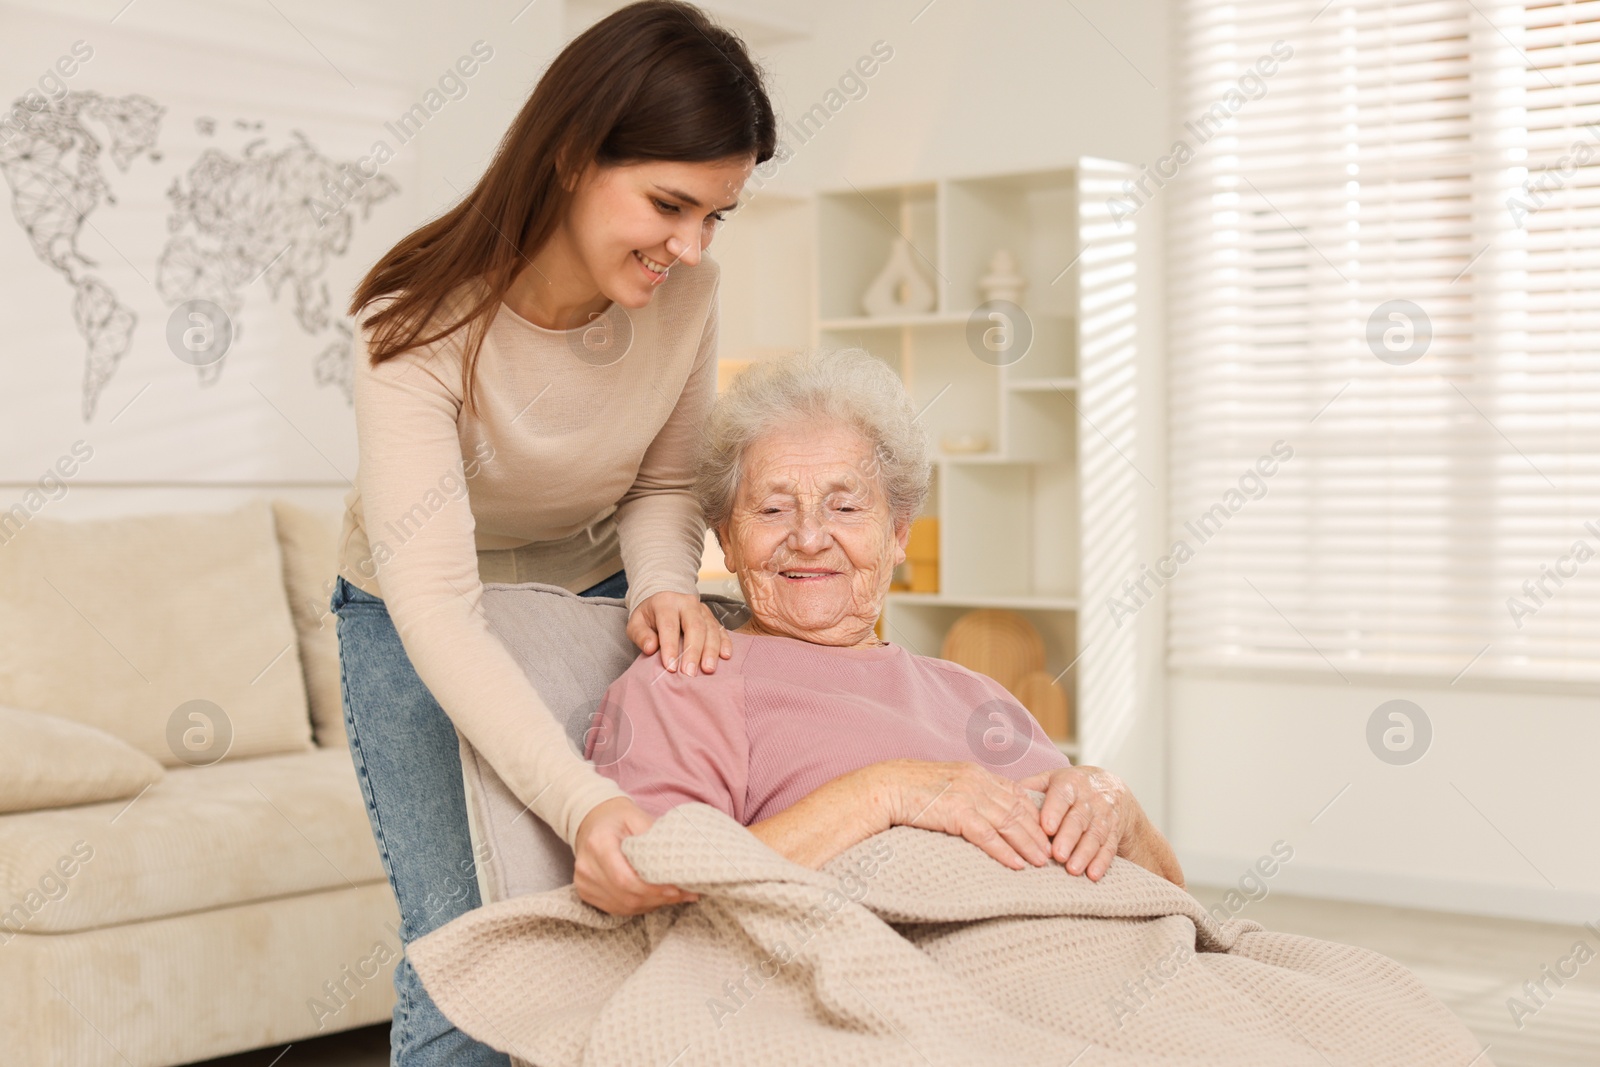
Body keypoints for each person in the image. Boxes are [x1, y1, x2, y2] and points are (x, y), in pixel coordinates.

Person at [328, 3, 775, 1063]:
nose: (691, 245)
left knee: (617, 934)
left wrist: (665, 582)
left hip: (593, 586)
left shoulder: (686, 290)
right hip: (416, 612)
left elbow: (668, 478)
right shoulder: (415, 323)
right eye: (670, 203)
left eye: (717, 214)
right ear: (574, 153)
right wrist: (586, 803)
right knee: (470, 943)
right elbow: (437, 606)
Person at [587, 348, 1184, 886]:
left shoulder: (974, 694)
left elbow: (1173, 906)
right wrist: (885, 793)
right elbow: (650, 880)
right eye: (773, 509)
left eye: (845, 507)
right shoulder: (689, 681)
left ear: (898, 534)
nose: (810, 537)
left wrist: (1122, 810)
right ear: (727, 539)